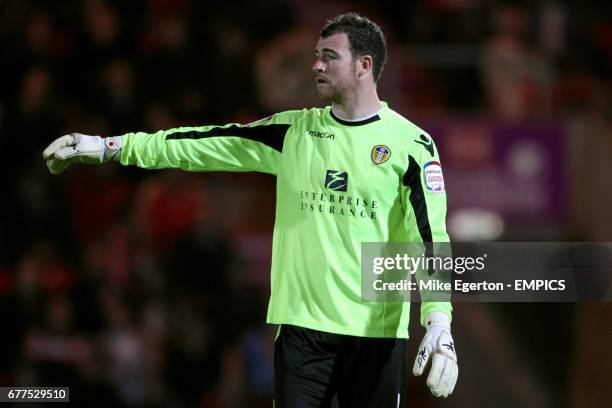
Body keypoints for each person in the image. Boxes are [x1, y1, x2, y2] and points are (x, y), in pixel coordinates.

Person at [43, 12, 458, 407]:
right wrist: (112, 146)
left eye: (329, 56)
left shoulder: (411, 146)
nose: (315, 65)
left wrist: (438, 321)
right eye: (316, 55)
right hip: (301, 332)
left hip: (377, 333)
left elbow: (430, 238)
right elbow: (204, 144)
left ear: (364, 65)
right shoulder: (294, 132)